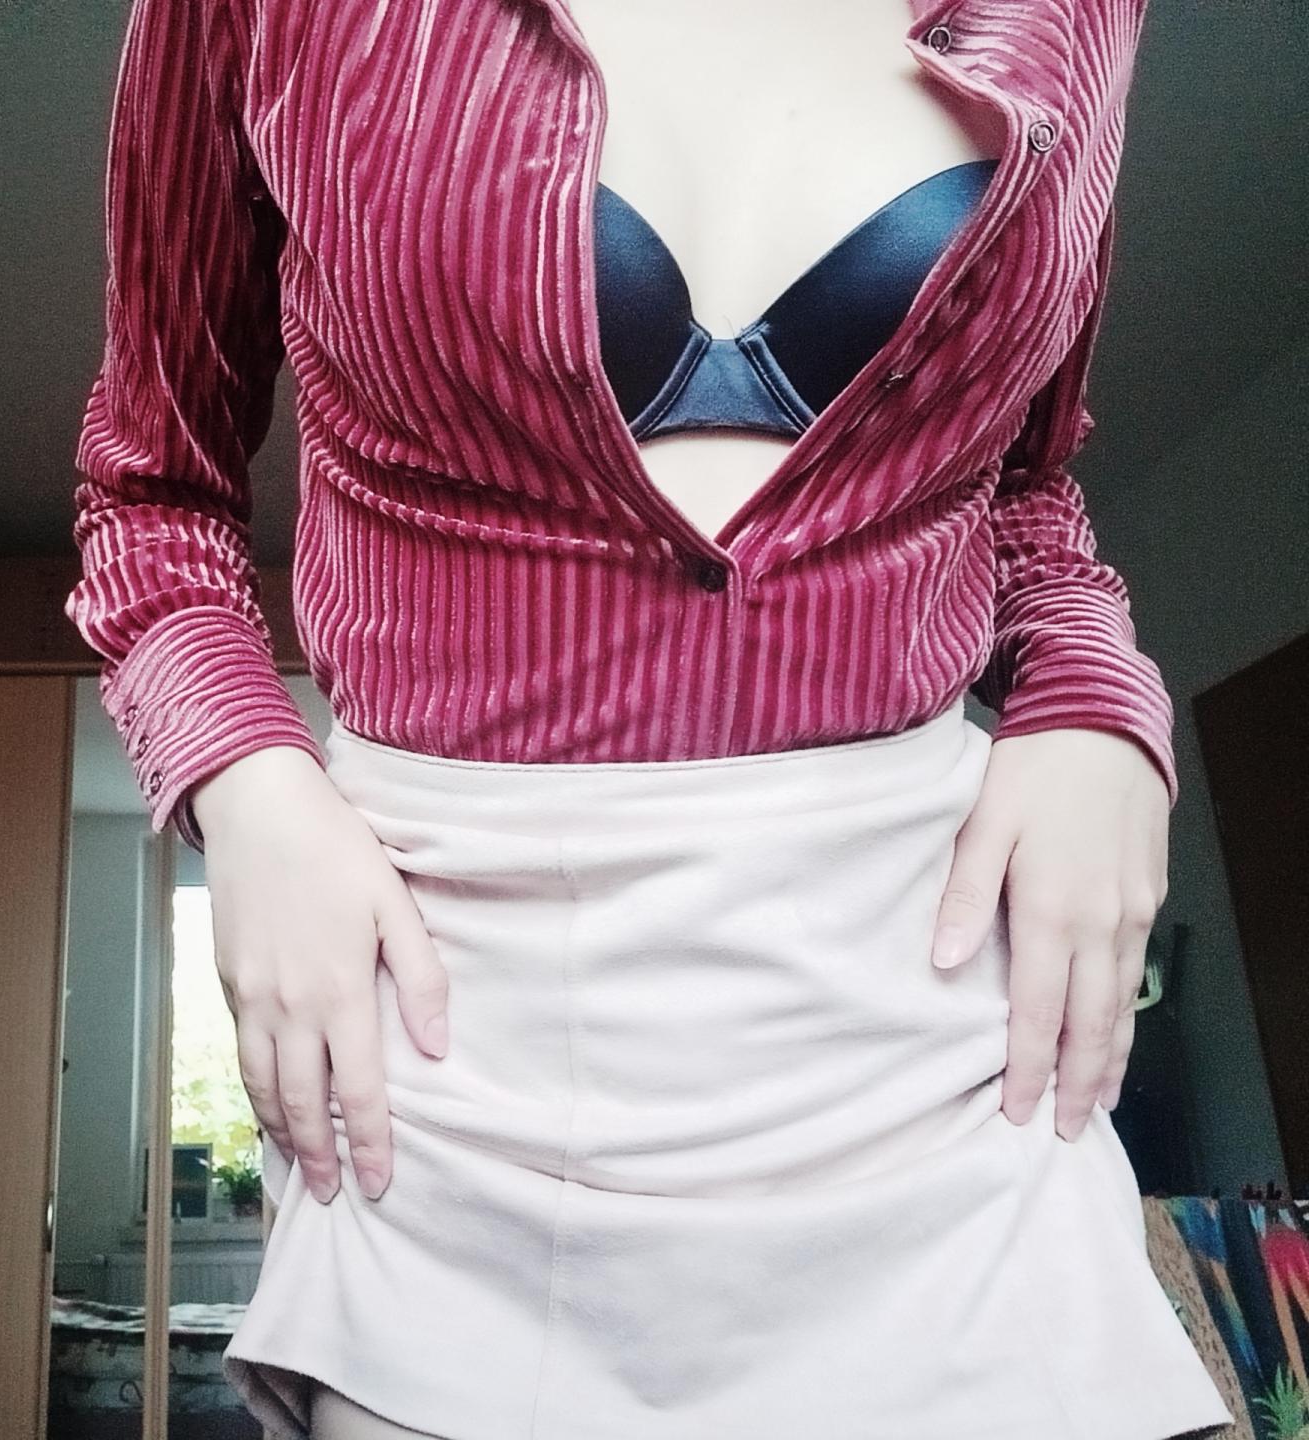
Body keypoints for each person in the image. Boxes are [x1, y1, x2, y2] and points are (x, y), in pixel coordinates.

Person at [67, 0, 1237, 1436]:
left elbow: (1023, 493)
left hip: (936, 1029)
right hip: (452, 1050)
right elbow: (151, 494)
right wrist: (247, 785)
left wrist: (1097, 706)